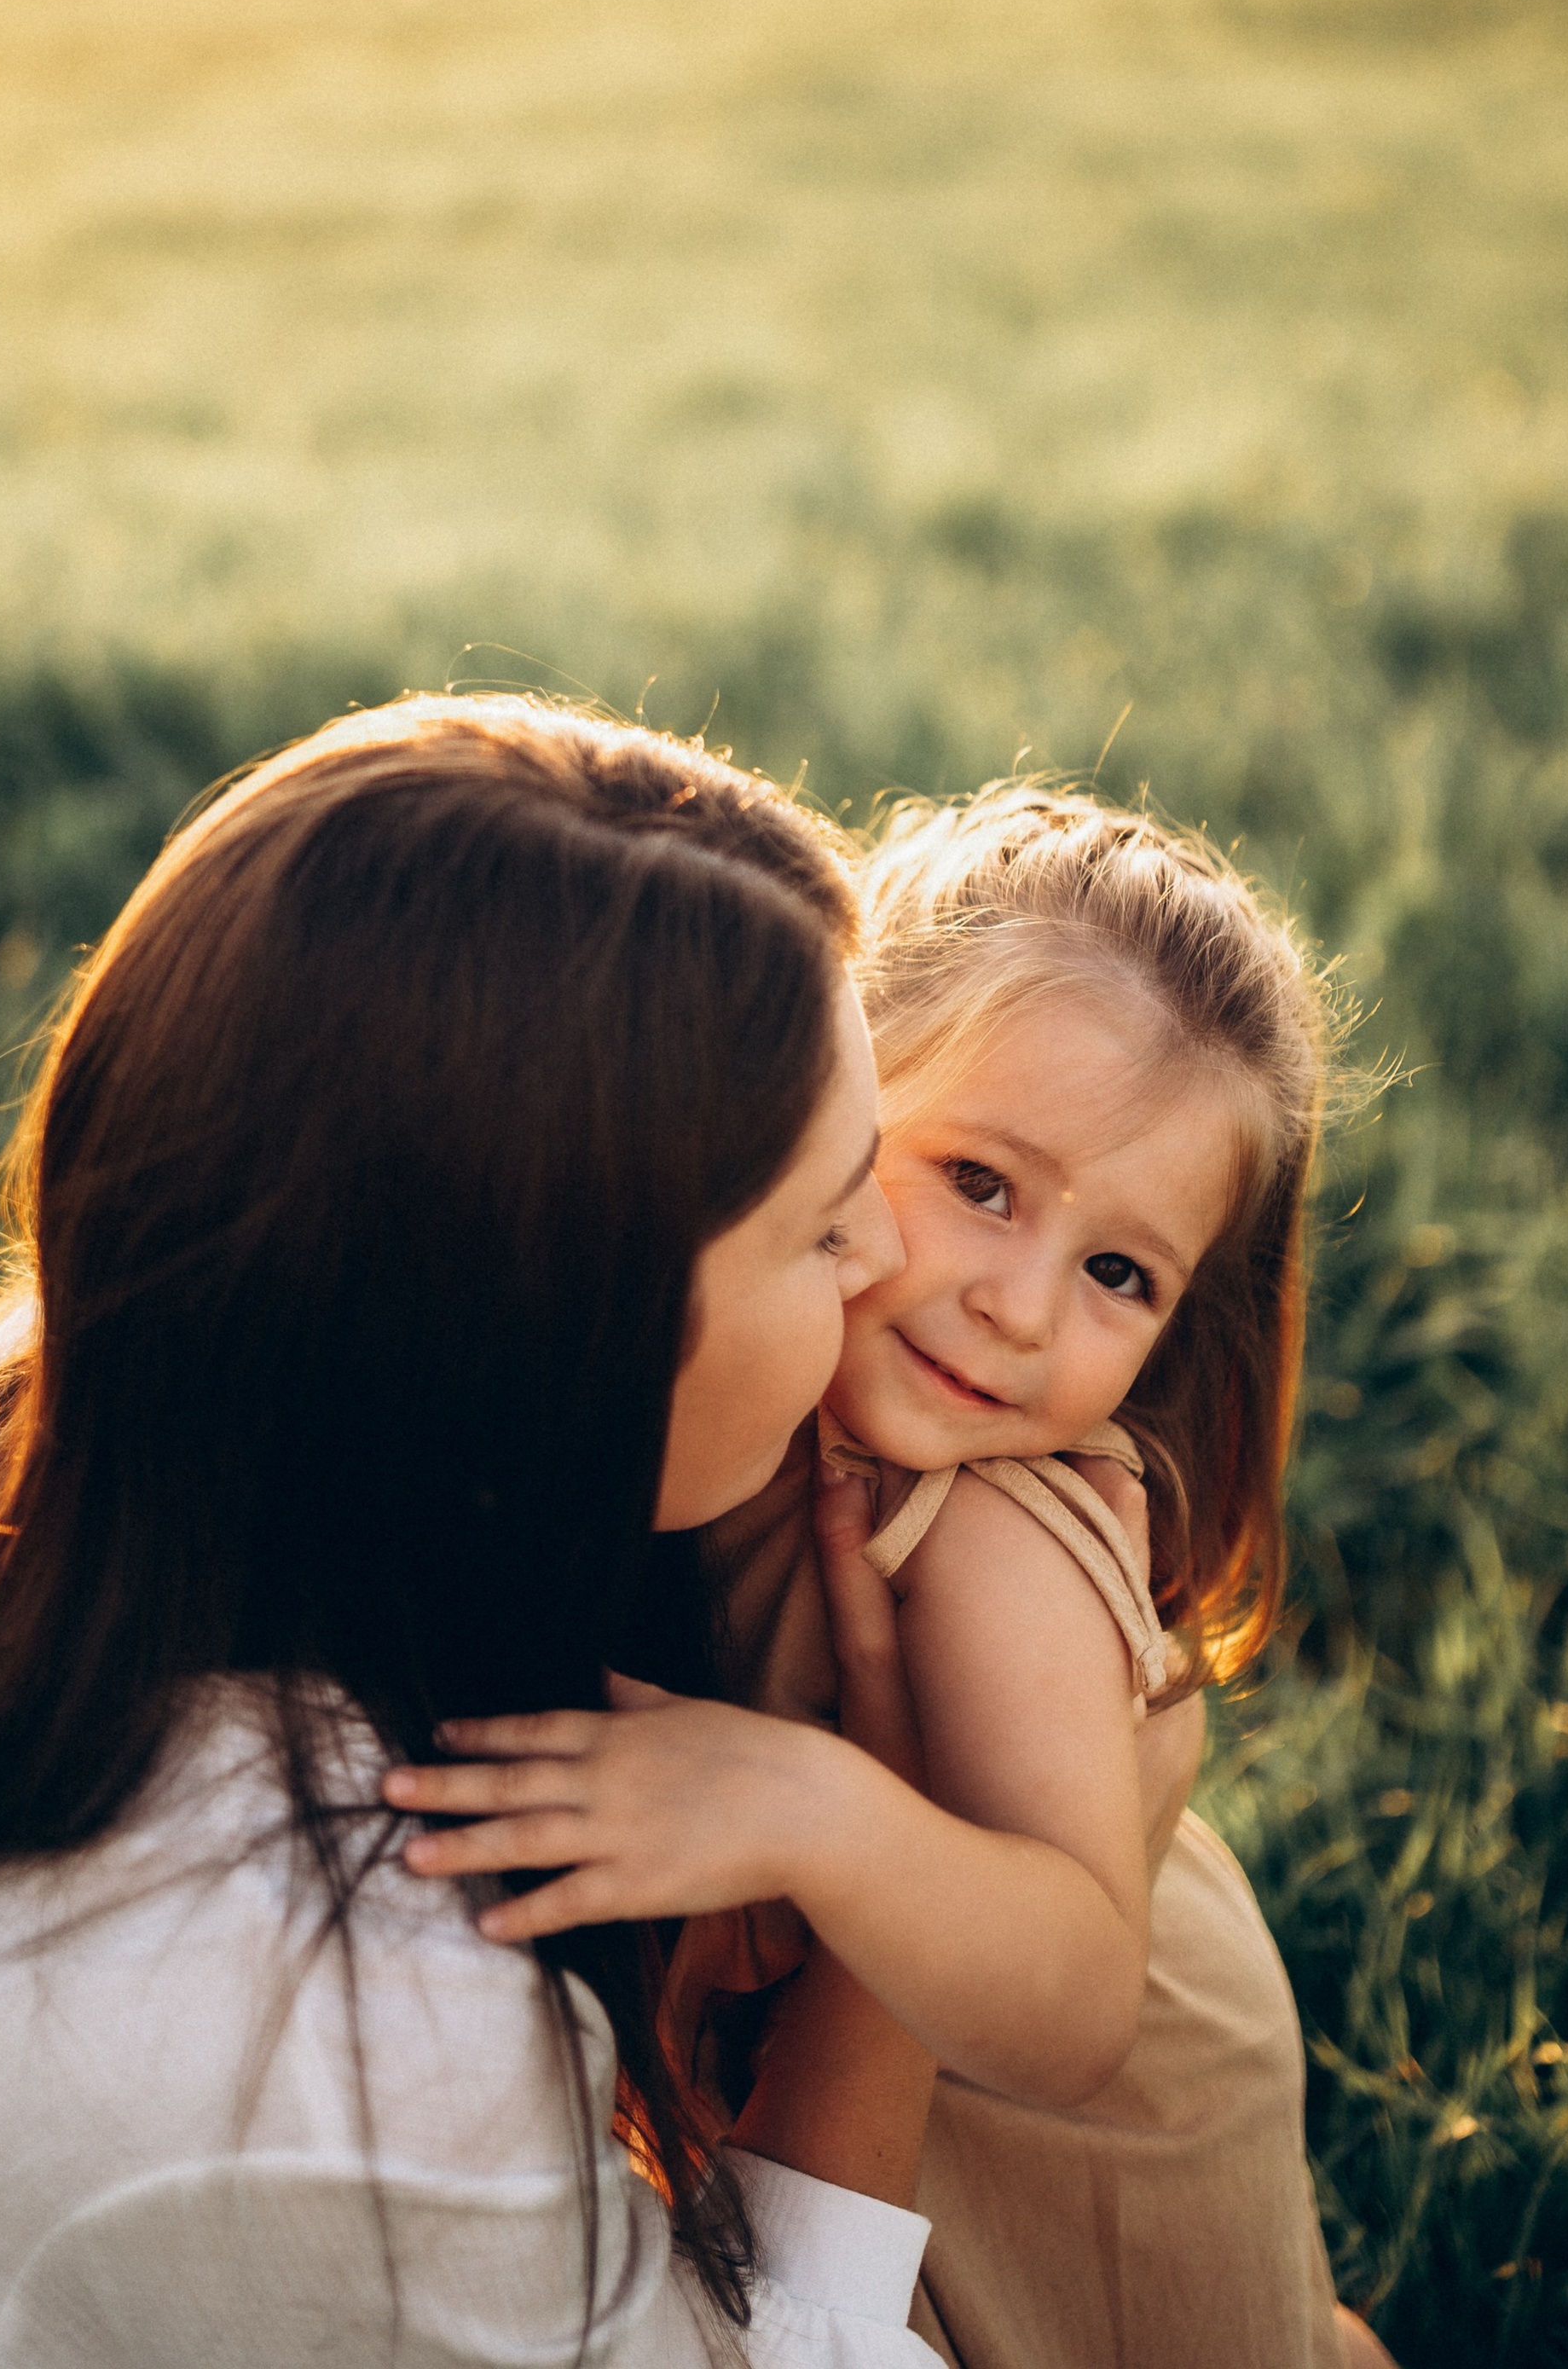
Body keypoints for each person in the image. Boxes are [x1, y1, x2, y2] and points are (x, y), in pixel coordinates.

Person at [0, 695, 951, 2367]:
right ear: (554, 1354)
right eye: (820, 1225)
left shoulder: (37, 1443)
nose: (888, 1255)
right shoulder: (339, 2010)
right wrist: (903, 1874)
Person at [656, 785, 1397, 2368]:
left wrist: (808, 1809)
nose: (1024, 1309)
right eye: (979, 1184)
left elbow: (1073, 2004)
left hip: (1082, 2167)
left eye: (1119, 1271)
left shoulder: (984, 1530)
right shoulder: (741, 1411)